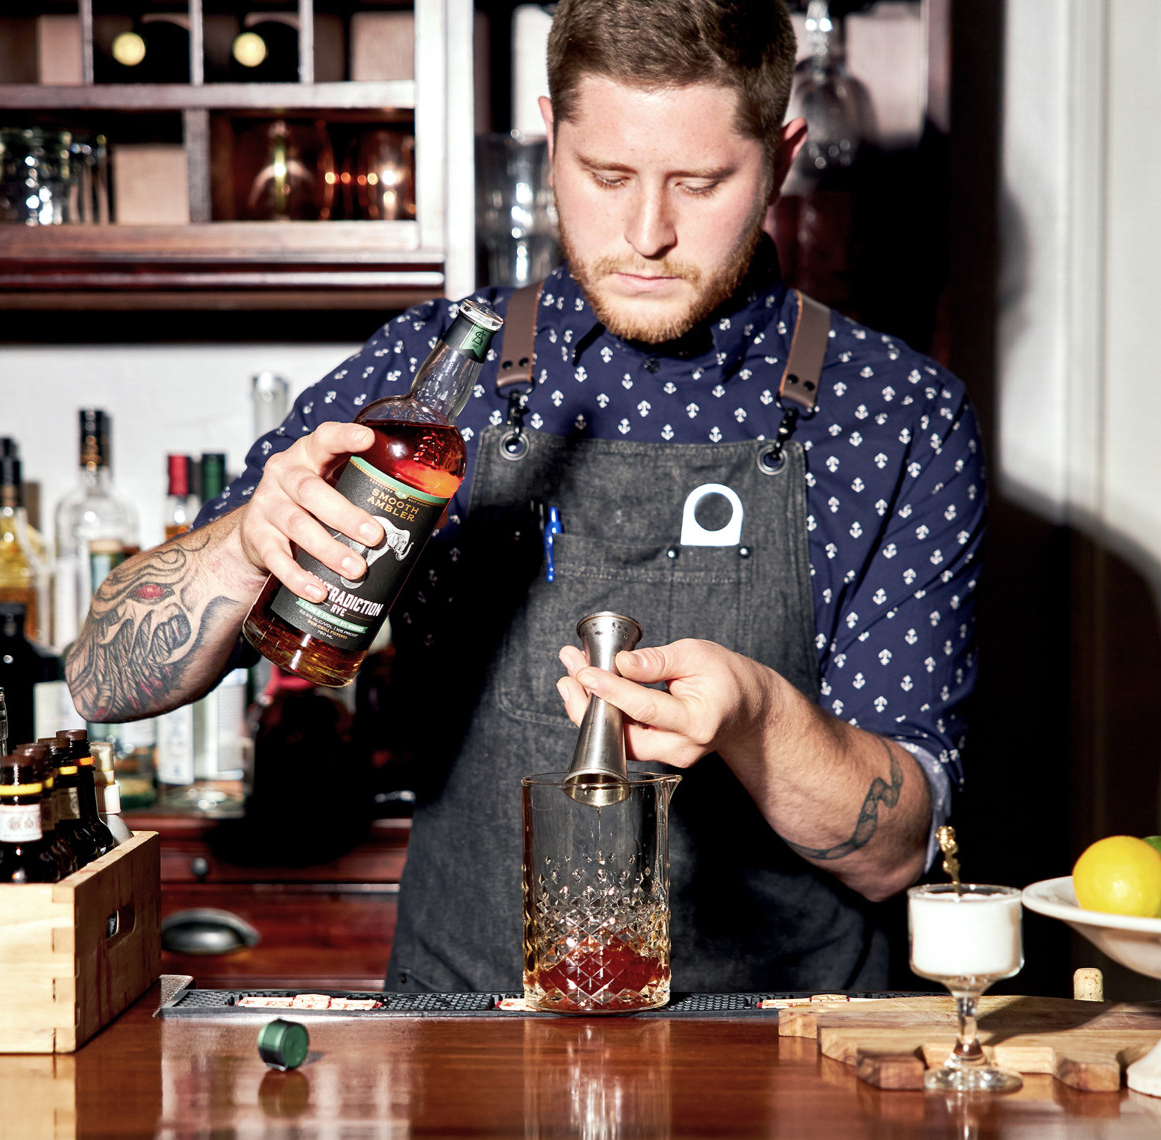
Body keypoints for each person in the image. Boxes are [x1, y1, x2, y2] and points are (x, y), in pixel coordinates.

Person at [65, 0, 985, 993]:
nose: (647, 232)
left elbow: (891, 853)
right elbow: (102, 684)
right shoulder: (432, 375)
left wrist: (758, 720)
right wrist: (245, 543)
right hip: (467, 1038)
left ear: (782, 157)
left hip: (780, 1061)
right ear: (552, 142)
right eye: (607, 176)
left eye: (699, 182)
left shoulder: (896, 416)